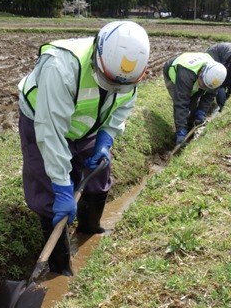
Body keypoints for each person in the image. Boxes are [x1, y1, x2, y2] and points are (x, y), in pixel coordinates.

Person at [17, 21, 150, 276]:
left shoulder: (129, 71)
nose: (114, 87)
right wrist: (61, 186)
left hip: (89, 126)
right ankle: (59, 268)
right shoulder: (60, 67)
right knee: (52, 195)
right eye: (108, 81)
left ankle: (90, 229)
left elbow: (122, 105)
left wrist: (105, 139)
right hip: (43, 120)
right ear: (97, 59)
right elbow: (51, 133)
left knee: (98, 173)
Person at [163, 53, 227, 145]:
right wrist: (181, 131)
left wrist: (202, 111)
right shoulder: (185, 74)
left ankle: (189, 131)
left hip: (195, 77)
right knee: (184, 105)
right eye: (203, 84)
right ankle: (180, 134)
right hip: (176, 74)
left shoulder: (216, 77)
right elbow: (181, 103)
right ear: (202, 71)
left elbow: (209, 95)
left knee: (192, 106)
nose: (203, 87)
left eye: (206, 86)